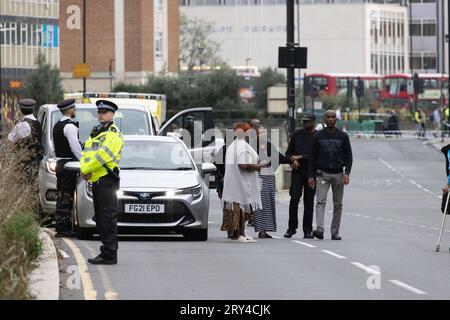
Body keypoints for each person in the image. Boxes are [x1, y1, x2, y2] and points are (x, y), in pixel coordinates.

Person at [80, 100, 124, 264]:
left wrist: (85, 170)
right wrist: (85, 169)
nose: (101, 114)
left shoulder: (112, 134)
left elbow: (102, 157)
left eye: (105, 112)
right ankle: (106, 251)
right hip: (97, 179)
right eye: (99, 111)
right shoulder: (97, 132)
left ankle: (110, 254)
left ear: (112, 115)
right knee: (100, 217)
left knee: (107, 217)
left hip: (107, 179)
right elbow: (87, 154)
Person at [308, 110, 353, 240]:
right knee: (320, 202)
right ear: (324, 120)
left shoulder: (343, 136)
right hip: (322, 173)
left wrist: (347, 173)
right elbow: (313, 157)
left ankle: (335, 232)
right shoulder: (318, 136)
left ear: (336, 120)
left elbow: (349, 156)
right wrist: (311, 175)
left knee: (338, 204)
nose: (331, 119)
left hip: (339, 174)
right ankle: (320, 230)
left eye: (333, 117)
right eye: (328, 117)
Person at [221, 123, 263, 243]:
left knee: (240, 208)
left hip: (235, 181)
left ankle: (241, 234)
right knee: (239, 208)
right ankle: (238, 235)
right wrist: (257, 166)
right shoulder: (242, 146)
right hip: (240, 182)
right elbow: (243, 165)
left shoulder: (234, 145)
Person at [249, 119, 289, 239]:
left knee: (269, 204)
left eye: (264, 133)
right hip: (258, 178)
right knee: (261, 204)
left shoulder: (270, 146)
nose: (262, 135)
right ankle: (260, 229)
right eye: (260, 133)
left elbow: (280, 158)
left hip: (270, 177)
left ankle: (265, 229)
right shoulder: (253, 147)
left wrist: (292, 160)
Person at [52, 99, 82, 237]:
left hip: (60, 163)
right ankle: (63, 228)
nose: (75, 110)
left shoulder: (57, 125)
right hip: (69, 165)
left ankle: (61, 226)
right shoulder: (69, 126)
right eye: (74, 108)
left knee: (61, 195)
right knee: (66, 196)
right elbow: (75, 147)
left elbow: (54, 147)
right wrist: (83, 160)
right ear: (69, 110)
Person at [284, 112, 317, 239]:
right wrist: (293, 160)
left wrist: (301, 157)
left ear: (313, 122)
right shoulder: (297, 134)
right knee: (294, 199)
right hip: (297, 171)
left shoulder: (317, 137)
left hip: (311, 172)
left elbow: (316, 156)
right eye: (303, 121)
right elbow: (288, 153)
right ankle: (291, 228)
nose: (304, 123)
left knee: (309, 202)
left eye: (307, 121)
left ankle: (307, 230)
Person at [8, 98, 43, 179]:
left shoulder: (22, 125)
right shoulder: (37, 123)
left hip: (25, 162)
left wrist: (15, 127)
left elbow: (10, 139)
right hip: (37, 161)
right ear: (33, 109)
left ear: (20, 110)